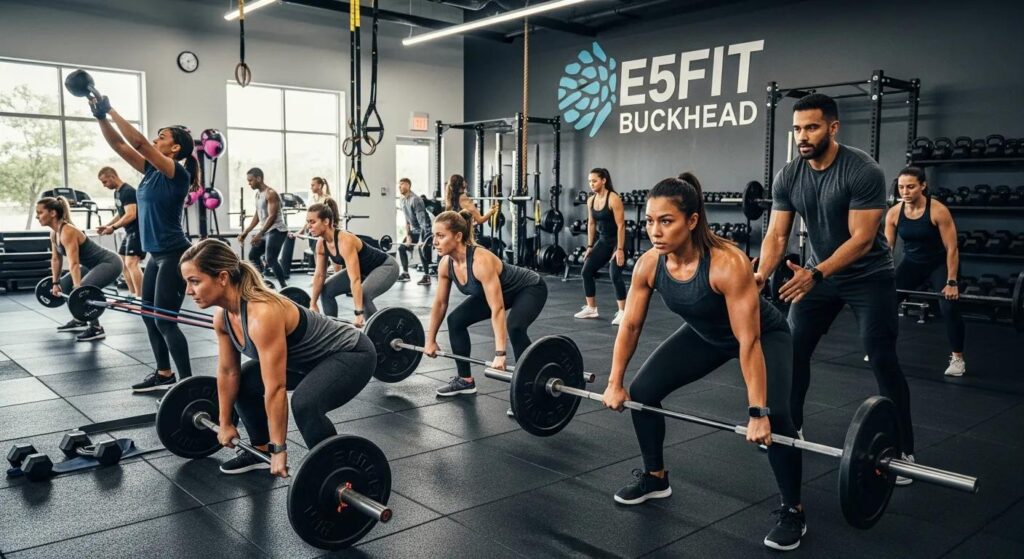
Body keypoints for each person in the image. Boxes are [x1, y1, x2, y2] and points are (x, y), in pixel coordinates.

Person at [602, 175, 805, 550]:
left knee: (777, 416)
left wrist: (757, 412)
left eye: (666, 221)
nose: (655, 231)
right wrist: (615, 382)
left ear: (692, 220)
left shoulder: (727, 263)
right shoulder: (649, 264)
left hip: (764, 336)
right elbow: (630, 325)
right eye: (650, 221)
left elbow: (748, 341)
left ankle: (793, 509)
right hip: (705, 334)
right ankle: (655, 477)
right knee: (643, 391)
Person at [753, 93, 916, 483]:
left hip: (869, 277)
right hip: (819, 275)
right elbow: (777, 235)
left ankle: (904, 449)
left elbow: (862, 239)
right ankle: (791, 428)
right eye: (797, 129)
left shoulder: (862, 170)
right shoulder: (789, 175)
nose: (802, 136)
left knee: (882, 357)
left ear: (833, 127)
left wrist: (815, 274)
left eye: (811, 127)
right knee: (792, 351)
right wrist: (759, 275)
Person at [179, 239, 376, 476]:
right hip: (305, 363)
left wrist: (279, 449)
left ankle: (336, 470)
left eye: (195, 281)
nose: (188, 291)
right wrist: (225, 422)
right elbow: (228, 372)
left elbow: (275, 388)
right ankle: (259, 450)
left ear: (222, 277)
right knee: (243, 381)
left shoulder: (262, 313)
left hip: (351, 353)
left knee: (305, 404)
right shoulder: (223, 317)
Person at [93, 94, 196, 393]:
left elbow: (138, 143)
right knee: (148, 316)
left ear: (175, 148)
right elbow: (119, 145)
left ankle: (188, 385)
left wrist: (111, 109)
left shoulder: (177, 173)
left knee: (165, 321)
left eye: (161, 137)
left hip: (174, 255)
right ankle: (164, 373)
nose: (154, 139)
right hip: (155, 255)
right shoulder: (151, 172)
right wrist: (101, 117)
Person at [423, 210, 548, 400]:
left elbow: (497, 308)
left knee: (515, 327)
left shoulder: (480, 261)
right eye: (434, 236)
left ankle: (529, 384)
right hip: (501, 293)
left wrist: (500, 353)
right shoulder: (445, 265)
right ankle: (465, 380)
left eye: (441, 236)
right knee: (455, 320)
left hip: (529, 288)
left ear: (458, 236)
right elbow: (440, 304)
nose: (434, 242)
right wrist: (430, 340)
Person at [885, 166, 966, 376]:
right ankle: (881, 348)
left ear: (923, 186)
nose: (905, 192)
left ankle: (958, 358)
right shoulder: (894, 213)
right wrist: (883, 276)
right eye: (901, 187)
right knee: (885, 301)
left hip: (939, 263)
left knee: (948, 308)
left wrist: (951, 282)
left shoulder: (938, 210)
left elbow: (952, 248)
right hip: (912, 263)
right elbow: (887, 249)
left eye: (910, 187)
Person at [38, 197, 124, 342]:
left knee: (84, 288)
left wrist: (79, 288)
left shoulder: (68, 231)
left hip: (110, 263)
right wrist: (55, 283)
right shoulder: (54, 233)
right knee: (65, 284)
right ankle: (80, 320)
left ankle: (96, 329)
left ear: (52, 213)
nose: (37, 216)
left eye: (40, 212)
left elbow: (74, 263)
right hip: (93, 265)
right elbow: (56, 259)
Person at [306, 199, 399, 326]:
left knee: (364, 294)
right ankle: (332, 330)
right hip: (363, 270)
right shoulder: (321, 244)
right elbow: (319, 275)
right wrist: (313, 303)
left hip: (385, 266)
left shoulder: (345, 240)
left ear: (326, 221)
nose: (308, 226)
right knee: (326, 290)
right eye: (308, 222)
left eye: (312, 222)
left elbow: (355, 279)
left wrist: (358, 313)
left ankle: (378, 331)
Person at [576, 168, 628, 325]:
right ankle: (591, 308)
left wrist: (620, 249)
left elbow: (621, 225)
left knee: (614, 274)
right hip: (604, 241)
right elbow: (591, 224)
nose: (591, 184)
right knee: (586, 271)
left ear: (603, 180)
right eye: (589, 181)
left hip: (618, 240)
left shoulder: (613, 199)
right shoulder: (591, 200)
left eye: (594, 181)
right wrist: (590, 246)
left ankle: (623, 312)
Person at [96, 166, 144, 298]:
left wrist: (113, 228)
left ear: (113, 177)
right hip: (130, 232)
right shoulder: (117, 192)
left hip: (138, 232)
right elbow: (121, 213)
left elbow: (131, 214)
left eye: (105, 182)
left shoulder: (128, 191)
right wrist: (108, 225)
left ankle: (141, 297)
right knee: (122, 262)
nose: (104, 185)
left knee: (131, 263)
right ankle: (133, 294)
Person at [237, 168, 289, 288]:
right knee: (253, 256)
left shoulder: (270, 193)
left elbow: (272, 216)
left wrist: (260, 234)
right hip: (267, 231)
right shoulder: (258, 194)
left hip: (277, 230)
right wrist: (246, 232)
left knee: (270, 259)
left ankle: (285, 287)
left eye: (250, 180)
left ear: (259, 178)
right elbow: (258, 215)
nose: (249, 183)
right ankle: (261, 283)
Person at [444, 174, 499, 252]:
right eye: (464, 181)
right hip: (469, 238)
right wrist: (491, 211)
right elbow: (480, 220)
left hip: (457, 237)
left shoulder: (450, 199)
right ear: (462, 184)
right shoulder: (463, 198)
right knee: (496, 242)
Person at [397, 178, 433, 286]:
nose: (399, 186)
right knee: (401, 248)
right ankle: (405, 273)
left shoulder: (416, 200)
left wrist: (422, 240)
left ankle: (427, 276)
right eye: (399, 185)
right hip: (414, 230)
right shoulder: (402, 200)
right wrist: (408, 236)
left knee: (421, 249)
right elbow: (407, 220)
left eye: (402, 184)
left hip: (426, 229)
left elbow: (423, 222)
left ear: (408, 185)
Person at [289, 176, 331, 253]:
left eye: (313, 185)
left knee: (320, 251)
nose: (311, 187)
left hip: (322, 231)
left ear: (319, 186)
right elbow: (309, 218)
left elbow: (330, 217)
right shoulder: (311, 199)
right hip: (313, 230)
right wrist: (302, 230)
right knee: (314, 251)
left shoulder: (327, 199)